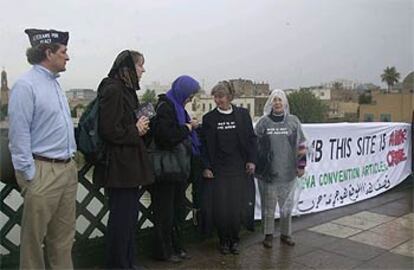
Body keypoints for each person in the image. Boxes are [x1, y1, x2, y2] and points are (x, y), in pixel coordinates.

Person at [8, 28, 77, 269]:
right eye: (63, 51)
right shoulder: (25, 86)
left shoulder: (56, 85)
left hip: (67, 169)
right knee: (33, 242)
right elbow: (18, 135)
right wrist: (29, 175)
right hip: (42, 171)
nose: (67, 56)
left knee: (64, 239)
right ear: (48, 52)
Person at [93, 50, 154, 269]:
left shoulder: (125, 90)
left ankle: (127, 262)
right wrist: (135, 130)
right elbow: (108, 130)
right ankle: (118, 264)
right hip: (119, 168)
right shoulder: (113, 90)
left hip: (127, 166)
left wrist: (140, 127)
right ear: (128, 67)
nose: (143, 70)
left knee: (129, 218)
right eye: (140, 65)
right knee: (121, 219)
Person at [201, 81, 257, 255]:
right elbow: (204, 146)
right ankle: (224, 240)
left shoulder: (242, 115)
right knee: (221, 207)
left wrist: (251, 160)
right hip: (219, 171)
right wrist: (206, 166)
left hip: (239, 169)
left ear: (230, 97)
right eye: (216, 97)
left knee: (237, 206)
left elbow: (251, 140)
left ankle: (235, 239)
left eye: (221, 97)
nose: (218, 100)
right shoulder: (209, 119)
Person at [151, 75, 200, 263]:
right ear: (183, 92)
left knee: (177, 211)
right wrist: (188, 127)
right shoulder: (166, 107)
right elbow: (165, 137)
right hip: (166, 170)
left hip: (176, 169)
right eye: (190, 95)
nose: (190, 99)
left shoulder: (177, 106)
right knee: (165, 213)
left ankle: (175, 247)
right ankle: (163, 252)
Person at [254, 89, 307, 249]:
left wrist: (301, 165)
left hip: (288, 172)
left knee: (286, 207)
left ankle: (286, 234)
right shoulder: (263, 122)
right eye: (274, 100)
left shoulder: (293, 121)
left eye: (280, 100)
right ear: (270, 103)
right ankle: (268, 235)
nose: (277, 103)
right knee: (268, 206)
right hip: (268, 173)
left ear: (284, 103)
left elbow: (301, 144)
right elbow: (255, 145)